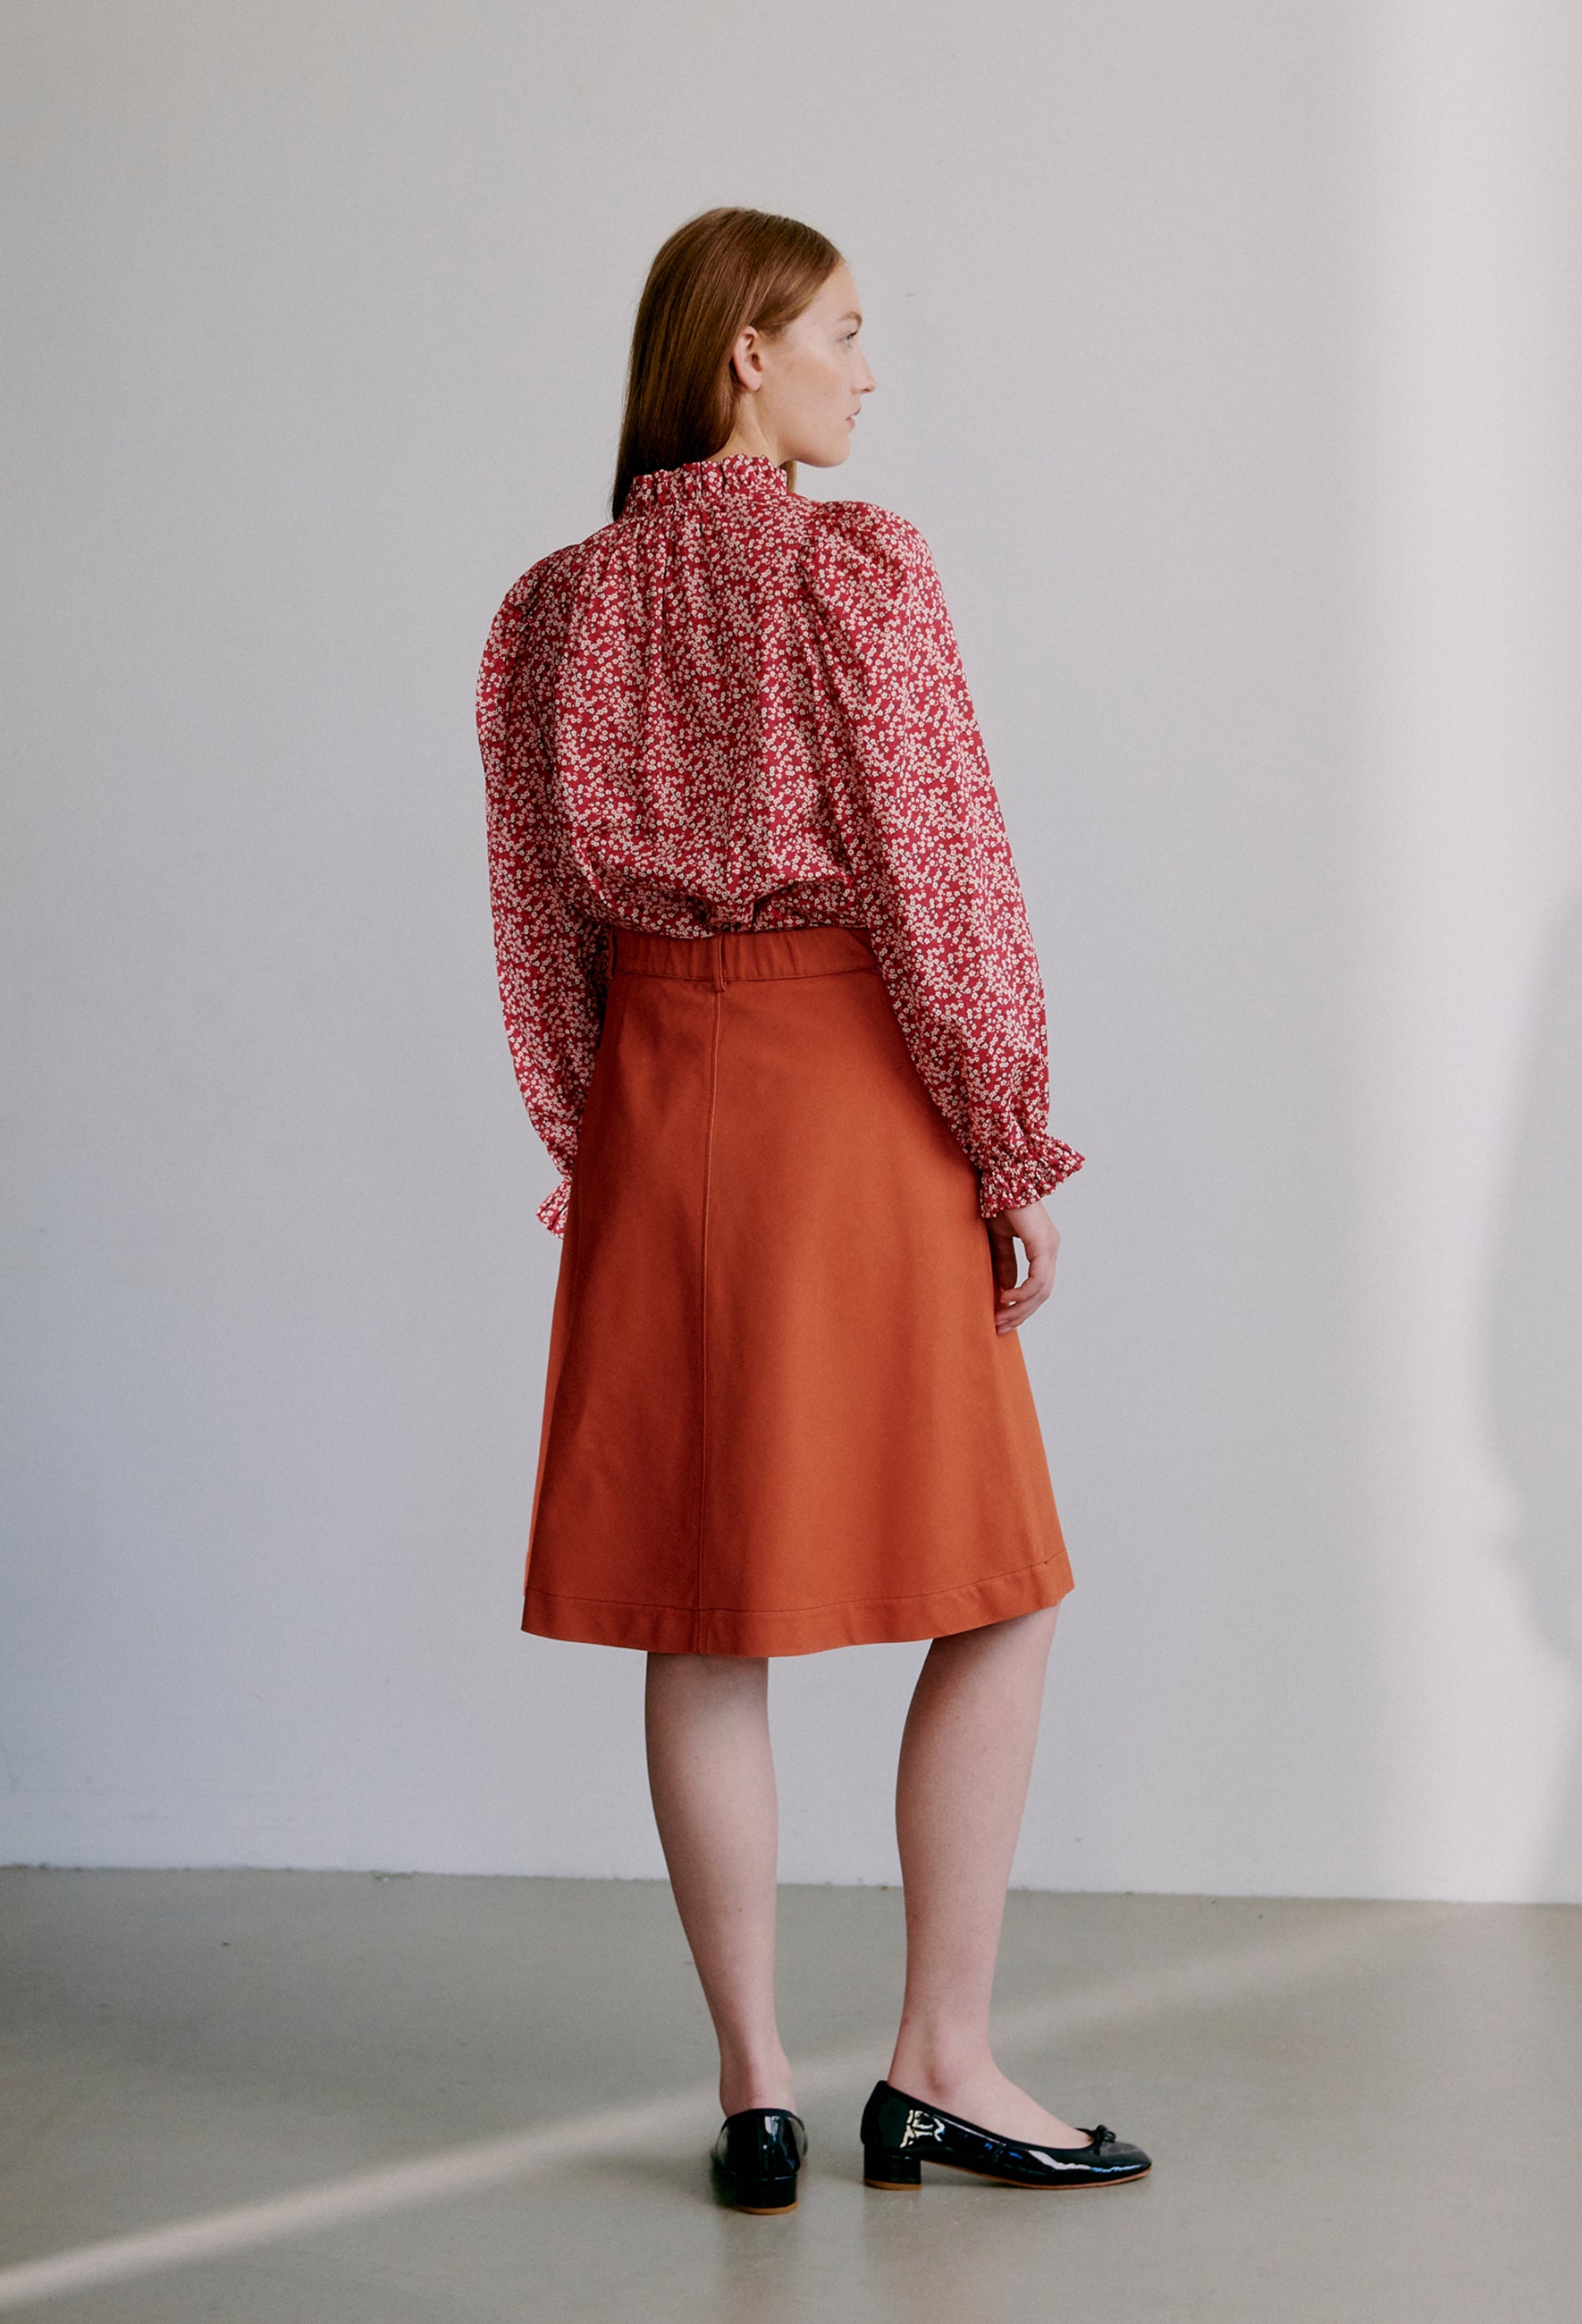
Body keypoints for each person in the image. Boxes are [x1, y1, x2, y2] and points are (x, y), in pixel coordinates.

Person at [475, 206, 1150, 2213]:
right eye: (844, 332)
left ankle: (754, 2090)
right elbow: (944, 873)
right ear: (744, 352)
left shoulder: (551, 611)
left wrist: (601, 1142)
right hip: (851, 1096)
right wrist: (1009, 1142)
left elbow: (535, 927)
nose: (871, 370)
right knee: (999, 1580)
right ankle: (941, 2061)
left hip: (659, 1116)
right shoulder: (856, 568)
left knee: (703, 1614)